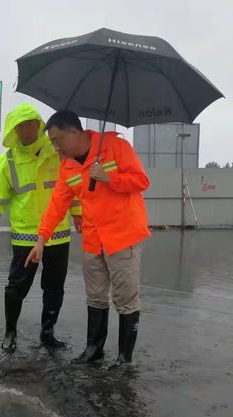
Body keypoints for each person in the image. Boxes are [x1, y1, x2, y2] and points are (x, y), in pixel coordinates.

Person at [25, 111, 151, 368]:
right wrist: (41, 240)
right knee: (95, 297)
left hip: (122, 235)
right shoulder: (68, 165)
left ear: (74, 132)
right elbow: (57, 205)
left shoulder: (116, 147)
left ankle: (124, 359)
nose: (56, 147)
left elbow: (141, 181)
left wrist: (108, 178)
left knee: (125, 300)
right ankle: (94, 350)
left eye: (57, 140)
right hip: (93, 239)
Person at [0, 103, 82, 353]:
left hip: (57, 234)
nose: (27, 130)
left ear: (38, 125)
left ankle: (47, 332)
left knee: (54, 287)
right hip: (25, 235)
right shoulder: (8, 160)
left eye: (31, 124)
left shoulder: (57, 152)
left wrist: (78, 213)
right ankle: (10, 332)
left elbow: (72, 185)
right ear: (14, 130)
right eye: (20, 126)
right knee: (16, 286)